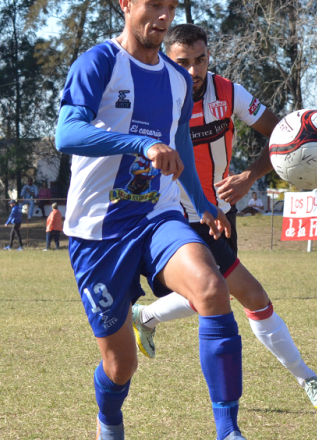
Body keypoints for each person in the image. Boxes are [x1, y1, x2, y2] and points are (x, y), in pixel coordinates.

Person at [55, 4, 245, 439]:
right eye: (152, 4)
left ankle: (227, 431)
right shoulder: (99, 62)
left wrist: (205, 204)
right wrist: (140, 144)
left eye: (170, 6)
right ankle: (109, 422)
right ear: (125, 3)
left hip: (158, 216)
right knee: (122, 365)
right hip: (98, 232)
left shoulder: (178, 79)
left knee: (212, 289)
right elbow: (66, 135)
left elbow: (179, 152)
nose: (162, 15)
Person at [131, 23, 317, 415]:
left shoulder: (228, 93)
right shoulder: (155, 97)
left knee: (208, 294)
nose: (193, 71)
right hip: (175, 217)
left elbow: (281, 135)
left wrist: (249, 177)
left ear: (209, 56)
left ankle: (146, 315)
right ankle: (307, 378)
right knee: (250, 295)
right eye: (183, 62)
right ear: (166, 59)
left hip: (220, 213)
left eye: (200, 60)